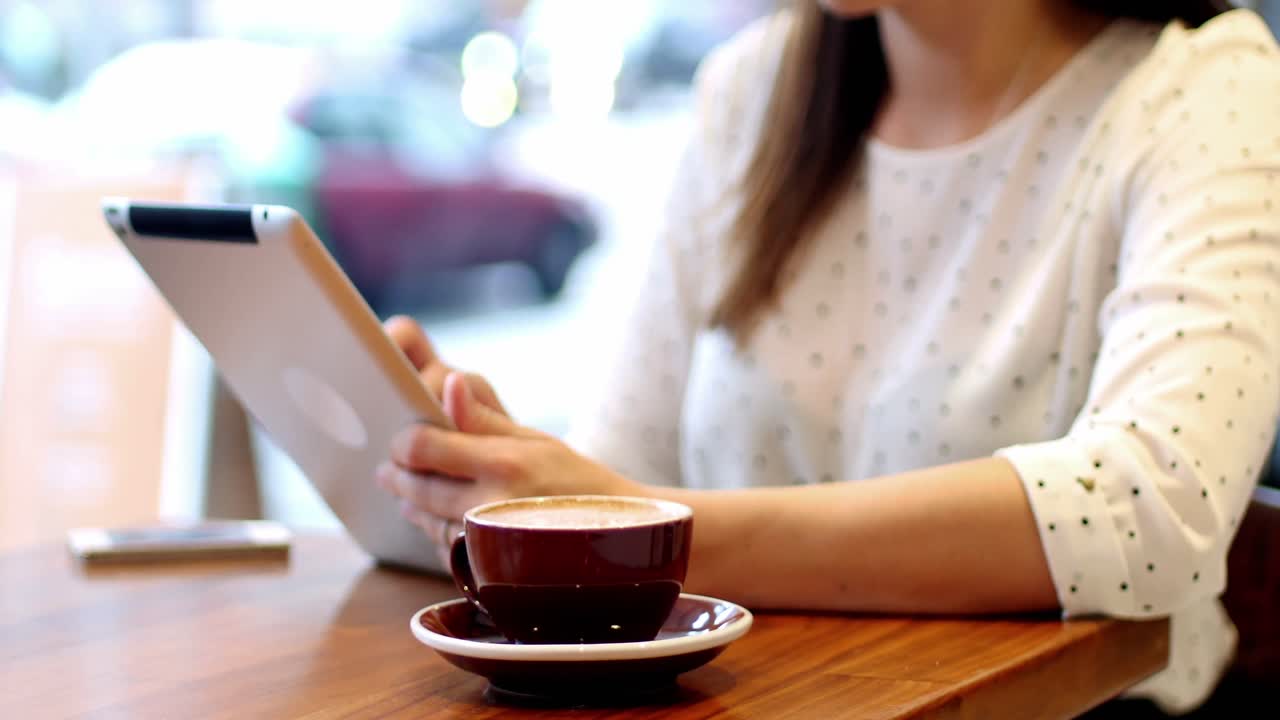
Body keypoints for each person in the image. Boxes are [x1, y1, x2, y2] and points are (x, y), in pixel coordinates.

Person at [375, 0, 1280, 713]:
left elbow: (1151, 508)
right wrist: (495, 467)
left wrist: (655, 533)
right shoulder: (753, 89)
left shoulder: (1202, 88)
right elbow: (629, 461)